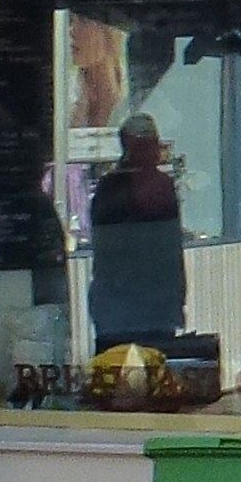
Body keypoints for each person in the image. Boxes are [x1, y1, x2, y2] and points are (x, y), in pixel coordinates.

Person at [87, 115, 187, 350]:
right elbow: (105, 252)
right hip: (119, 312)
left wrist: (176, 299)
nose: (154, 152)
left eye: (154, 144)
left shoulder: (162, 186)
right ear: (130, 147)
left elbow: (172, 251)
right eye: (146, 145)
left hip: (157, 308)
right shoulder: (112, 187)